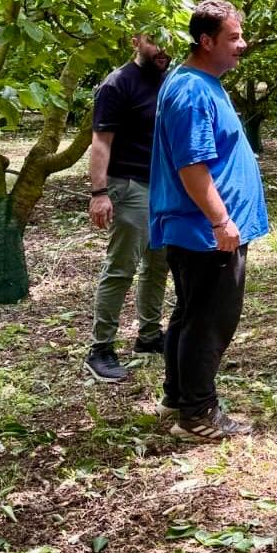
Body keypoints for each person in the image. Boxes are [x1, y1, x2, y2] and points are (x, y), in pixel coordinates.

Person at [149, 0, 268, 440]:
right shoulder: (192, 92)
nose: (242, 44)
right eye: (233, 37)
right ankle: (197, 414)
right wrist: (221, 221)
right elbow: (191, 166)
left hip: (202, 230)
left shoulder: (199, 82)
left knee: (190, 314)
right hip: (205, 233)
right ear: (206, 41)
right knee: (209, 320)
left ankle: (178, 397)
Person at [84, 34, 170, 383]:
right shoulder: (117, 84)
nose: (163, 50)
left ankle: (149, 336)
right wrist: (99, 193)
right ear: (135, 41)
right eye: (155, 41)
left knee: (158, 265)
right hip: (129, 185)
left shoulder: (169, 80)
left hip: (163, 188)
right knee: (121, 268)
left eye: (170, 41)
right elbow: (101, 142)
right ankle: (100, 349)